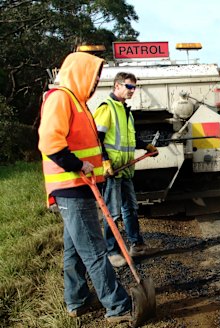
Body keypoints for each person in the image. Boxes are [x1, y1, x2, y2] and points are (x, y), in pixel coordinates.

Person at [38, 52, 132, 323]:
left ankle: (77, 300)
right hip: (71, 186)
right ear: (78, 73)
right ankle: (118, 306)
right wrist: (77, 164)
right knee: (94, 249)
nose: (96, 81)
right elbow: (50, 142)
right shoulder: (60, 98)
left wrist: (97, 164)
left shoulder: (77, 102)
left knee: (74, 249)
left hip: (80, 185)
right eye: (94, 76)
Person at [93, 72, 158, 268]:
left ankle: (136, 245)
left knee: (130, 208)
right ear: (117, 86)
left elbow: (131, 138)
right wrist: (105, 162)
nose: (132, 91)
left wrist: (146, 146)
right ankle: (112, 252)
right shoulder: (107, 109)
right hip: (112, 171)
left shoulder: (125, 111)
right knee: (113, 213)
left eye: (134, 87)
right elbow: (96, 139)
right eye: (129, 87)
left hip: (126, 170)